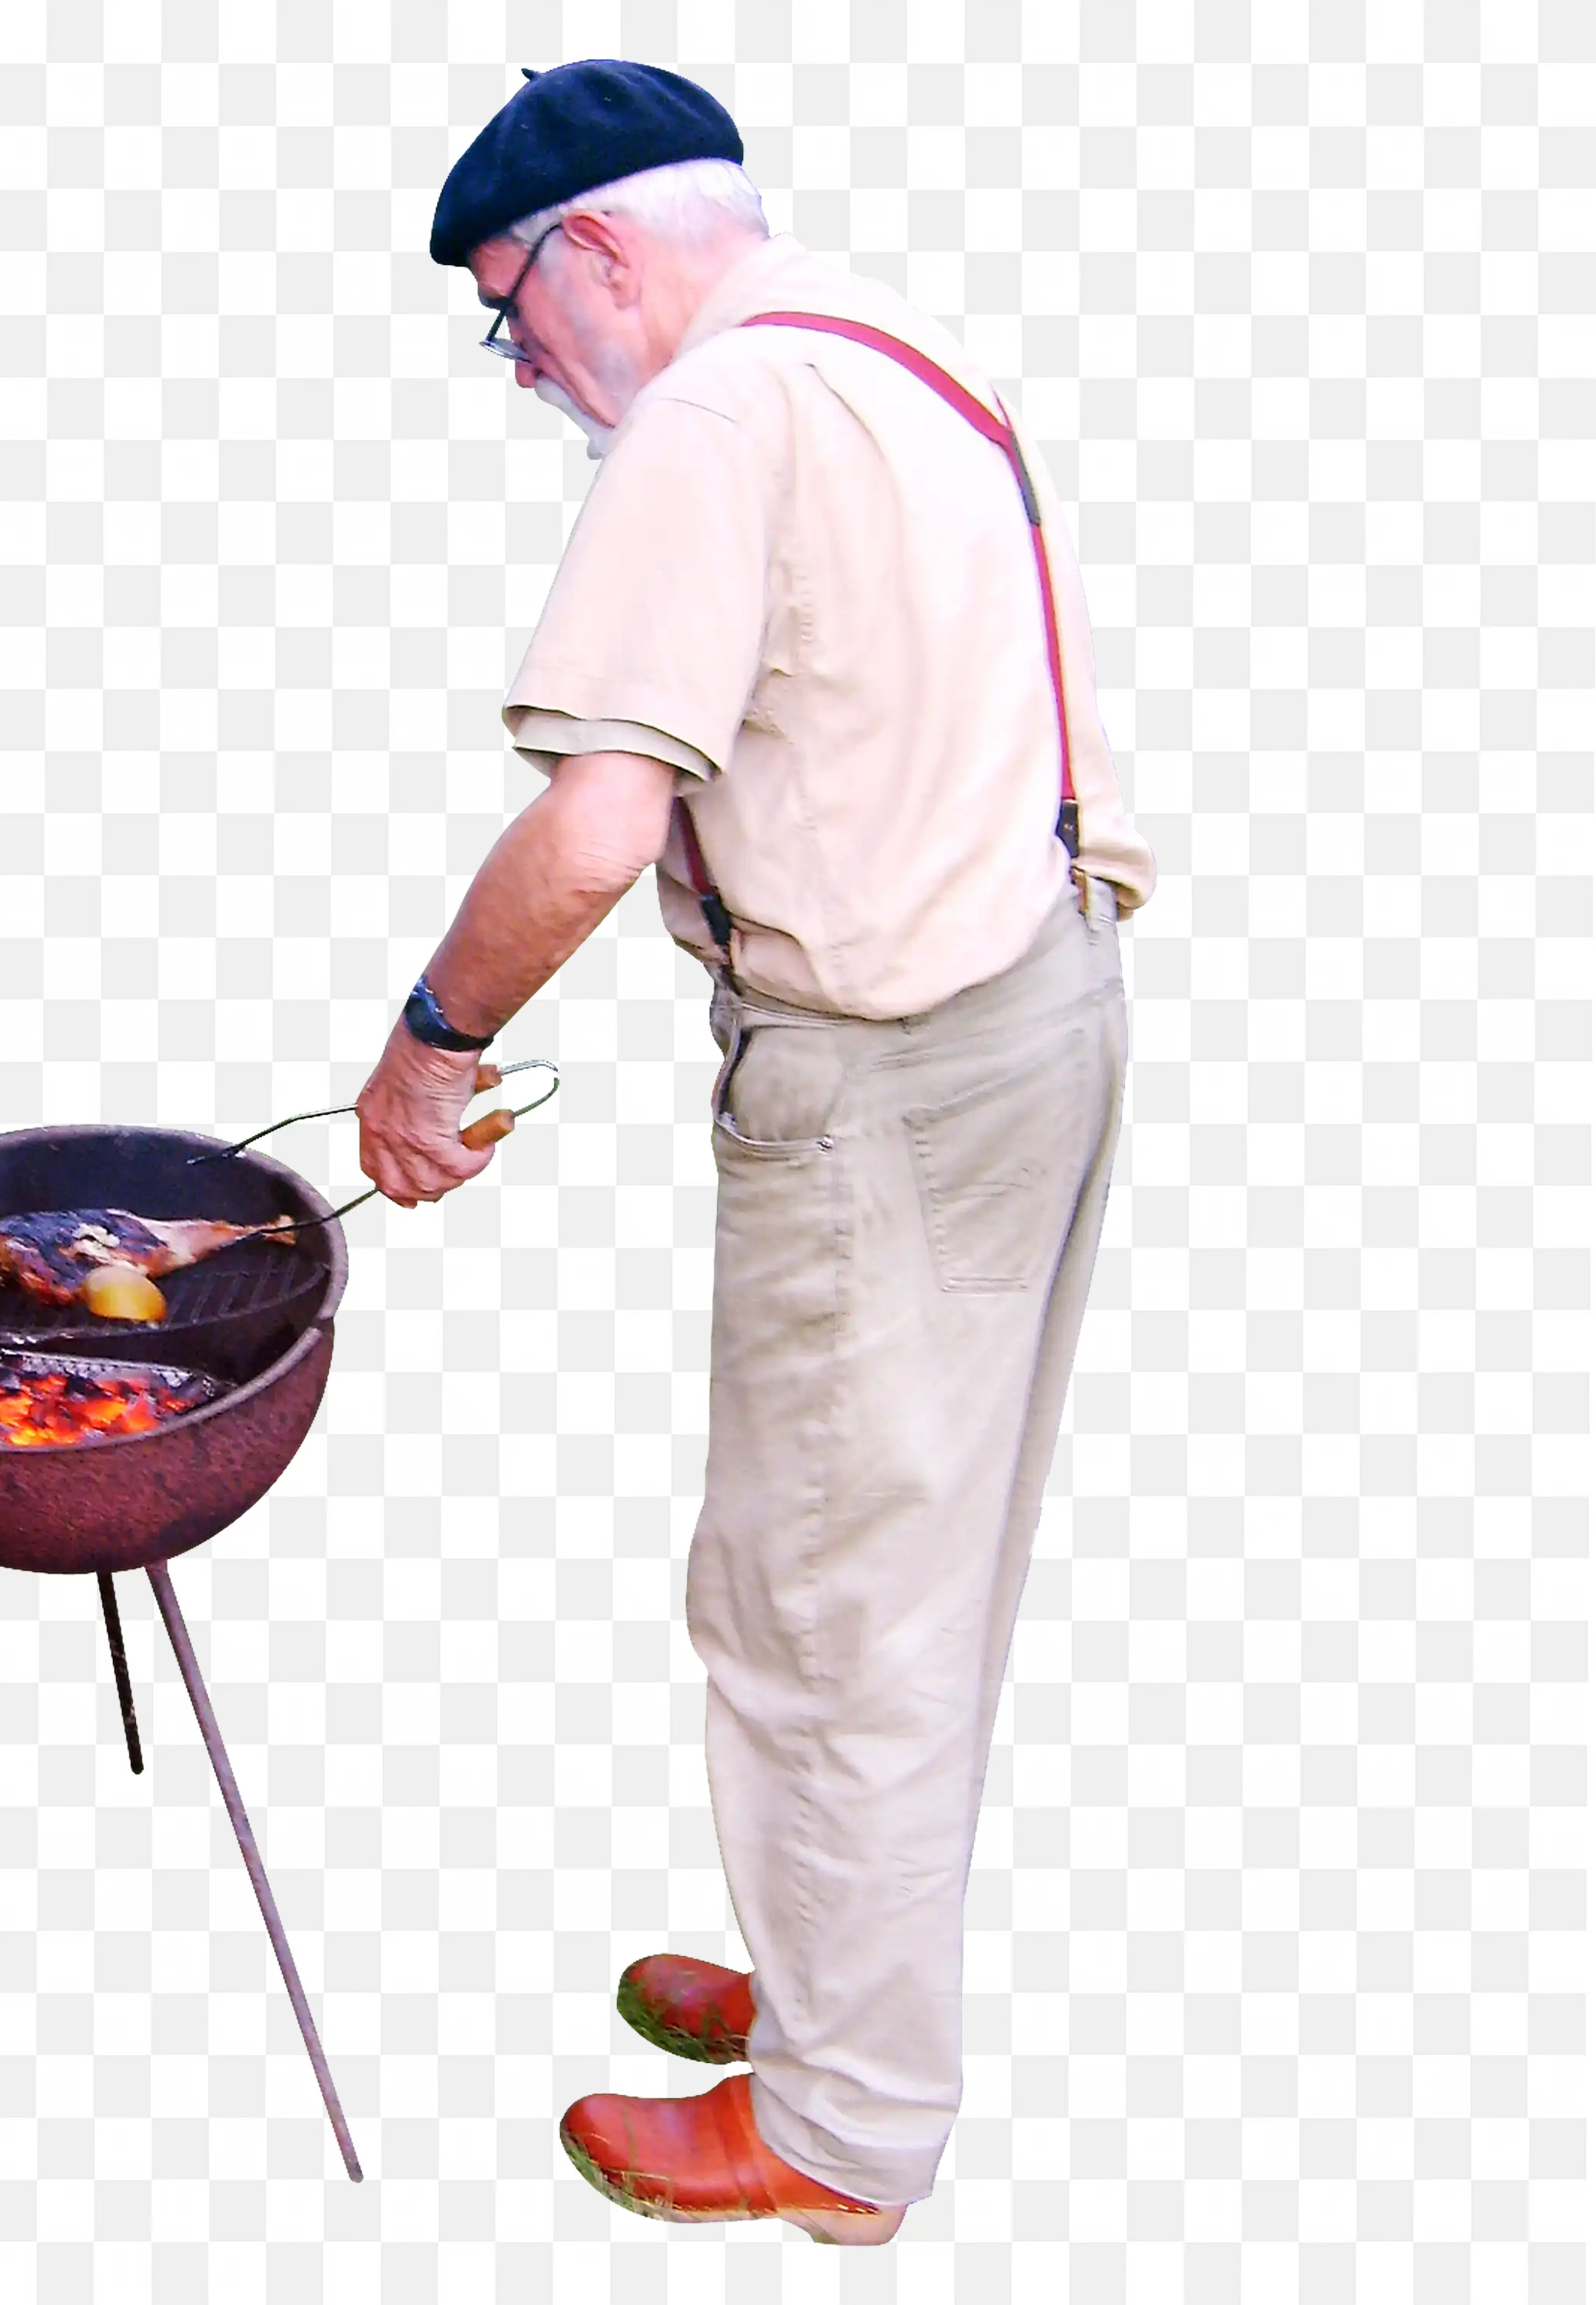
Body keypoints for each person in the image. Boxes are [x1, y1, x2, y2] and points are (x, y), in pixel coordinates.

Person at [353, 60, 1156, 2247]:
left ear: (601, 246)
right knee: (915, 1574)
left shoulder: (718, 412)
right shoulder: (906, 345)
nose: (523, 373)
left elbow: (597, 824)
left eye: (513, 313)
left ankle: (839, 2129)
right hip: (1035, 1008)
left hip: (892, 1082)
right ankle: (831, 1978)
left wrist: (428, 1052)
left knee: (822, 1611)